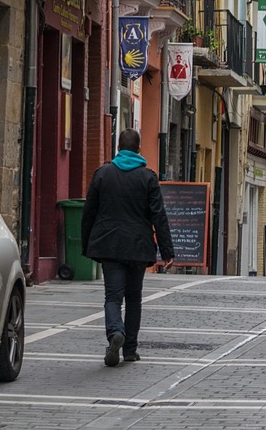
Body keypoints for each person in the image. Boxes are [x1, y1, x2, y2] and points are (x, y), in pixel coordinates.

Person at [81, 128, 175, 366]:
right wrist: (167, 252)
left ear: (118, 148)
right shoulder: (148, 178)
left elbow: (89, 213)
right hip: (138, 246)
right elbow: (159, 216)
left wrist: (87, 245)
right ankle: (130, 349)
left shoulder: (103, 174)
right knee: (133, 297)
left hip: (110, 245)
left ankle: (115, 333)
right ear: (139, 149)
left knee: (113, 296)